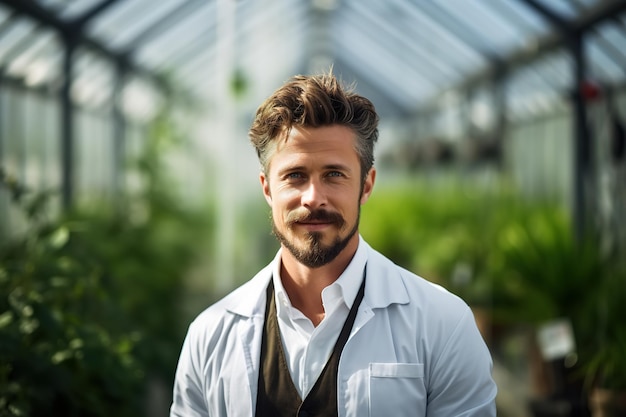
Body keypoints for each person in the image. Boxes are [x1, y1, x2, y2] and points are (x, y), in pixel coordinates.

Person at [170, 72, 497, 417]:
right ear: (268, 189)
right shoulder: (210, 335)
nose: (313, 198)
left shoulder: (443, 324)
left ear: (366, 185)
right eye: (295, 175)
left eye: (334, 175)